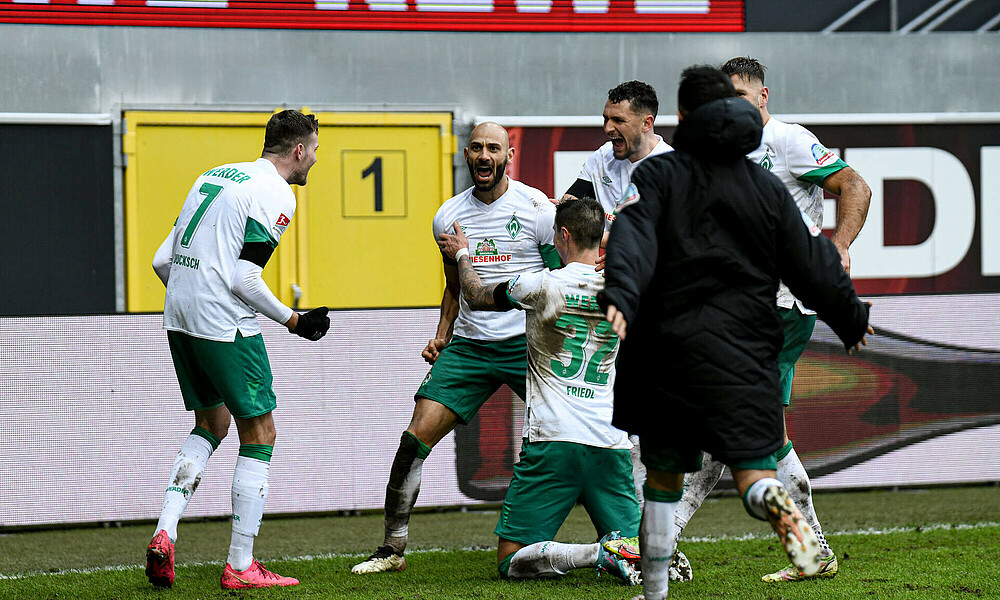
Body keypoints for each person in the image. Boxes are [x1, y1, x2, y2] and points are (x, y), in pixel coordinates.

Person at [600, 66, 873, 600]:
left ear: (683, 117)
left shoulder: (658, 175)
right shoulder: (764, 187)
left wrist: (622, 295)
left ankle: (654, 592)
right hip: (745, 346)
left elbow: (630, 239)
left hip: (669, 349)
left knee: (662, 480)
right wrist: (849, 315)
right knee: (754, 474)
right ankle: (799, 537)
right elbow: (806, 259)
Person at [351, 122, 562, 574]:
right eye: (477, 148)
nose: (485, 156)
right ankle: (392, 548)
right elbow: (453, 286)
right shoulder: (447, 215)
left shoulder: (538, 209)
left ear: (509, 156)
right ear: (466, 155)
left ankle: (620, 540)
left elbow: (560, 278)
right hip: (469, 346)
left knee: (573, 438)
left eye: (494, 148)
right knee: (414, 438)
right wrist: (442, 333)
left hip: (527, 345)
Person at [146, 109, 330, 590]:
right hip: (224, 323)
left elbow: (162, 260)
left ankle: (165, 532)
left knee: (211, 424)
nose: (315, 159)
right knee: (260, 432)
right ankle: (241, 566)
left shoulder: (214, 174)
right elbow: (244, 279)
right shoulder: (277, 193)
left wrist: (194, 301)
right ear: (298, 150)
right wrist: (295, 321)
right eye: (314, 150)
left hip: (178, 315)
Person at [435, 196, 642, 586]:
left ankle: (595, 553)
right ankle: (630, 550)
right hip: (611, 444)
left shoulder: (540, 283)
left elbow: (475, 297)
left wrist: (463, 253)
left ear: (562, 235)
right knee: (636, 551)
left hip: (553, 442)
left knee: (510, 561)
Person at [561, 80, 673, 515]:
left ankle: (649, 524)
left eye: (617, 120)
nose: (608, 128)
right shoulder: (601, 160)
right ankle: (630, 524)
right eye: (605, 118)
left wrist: (607, 238)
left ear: (646, 122)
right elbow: (568, 209)